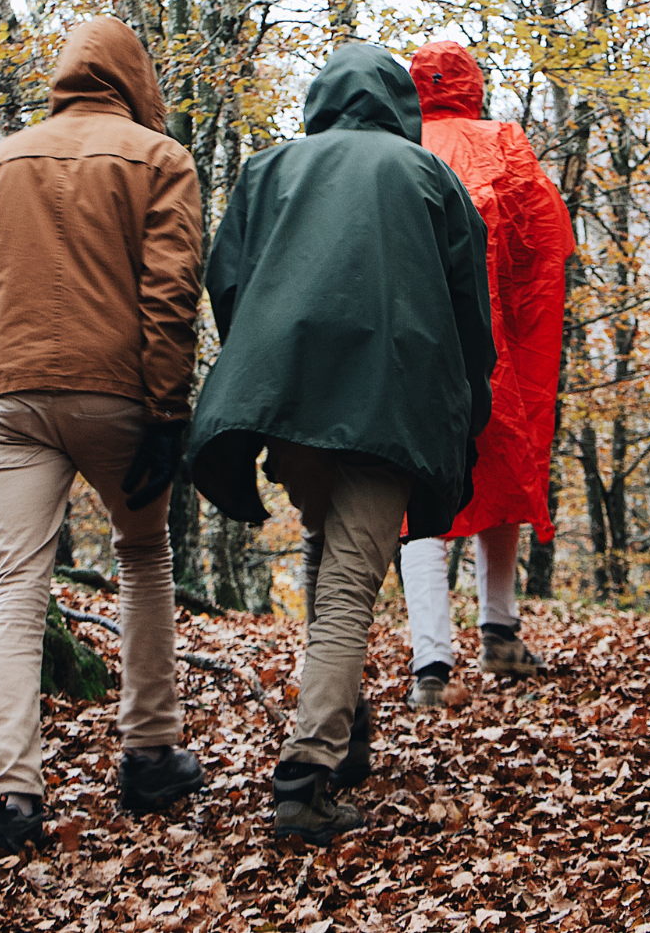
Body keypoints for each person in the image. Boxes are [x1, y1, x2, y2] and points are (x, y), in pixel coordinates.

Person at [187, 42, 495, 845]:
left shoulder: (268, 170)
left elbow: (229, 283)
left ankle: (347, 728)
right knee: (352, 578)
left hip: (290, 403)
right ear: (398, 102)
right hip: (392, 402)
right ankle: (306, 772)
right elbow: (470, 307)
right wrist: (472, 402)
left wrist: (266, 369)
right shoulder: (428, 176)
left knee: (330, 555)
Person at [0, 17, 207, 859]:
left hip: (11, 397)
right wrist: (168, 413)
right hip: (120, 393)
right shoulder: (158, 159)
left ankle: (10, 798)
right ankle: (150, 754)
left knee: (15, 583)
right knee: (144, 557)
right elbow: (171, 295)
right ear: (136, 78)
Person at [400, 41, 575, 707]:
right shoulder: (503, 140)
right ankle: (498, 631)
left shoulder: (397, 144)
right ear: (472, 85)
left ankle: (431, 663)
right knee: (504, 465)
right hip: (495, 341)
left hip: (414, 344)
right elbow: (545, 239)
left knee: (421, 488)